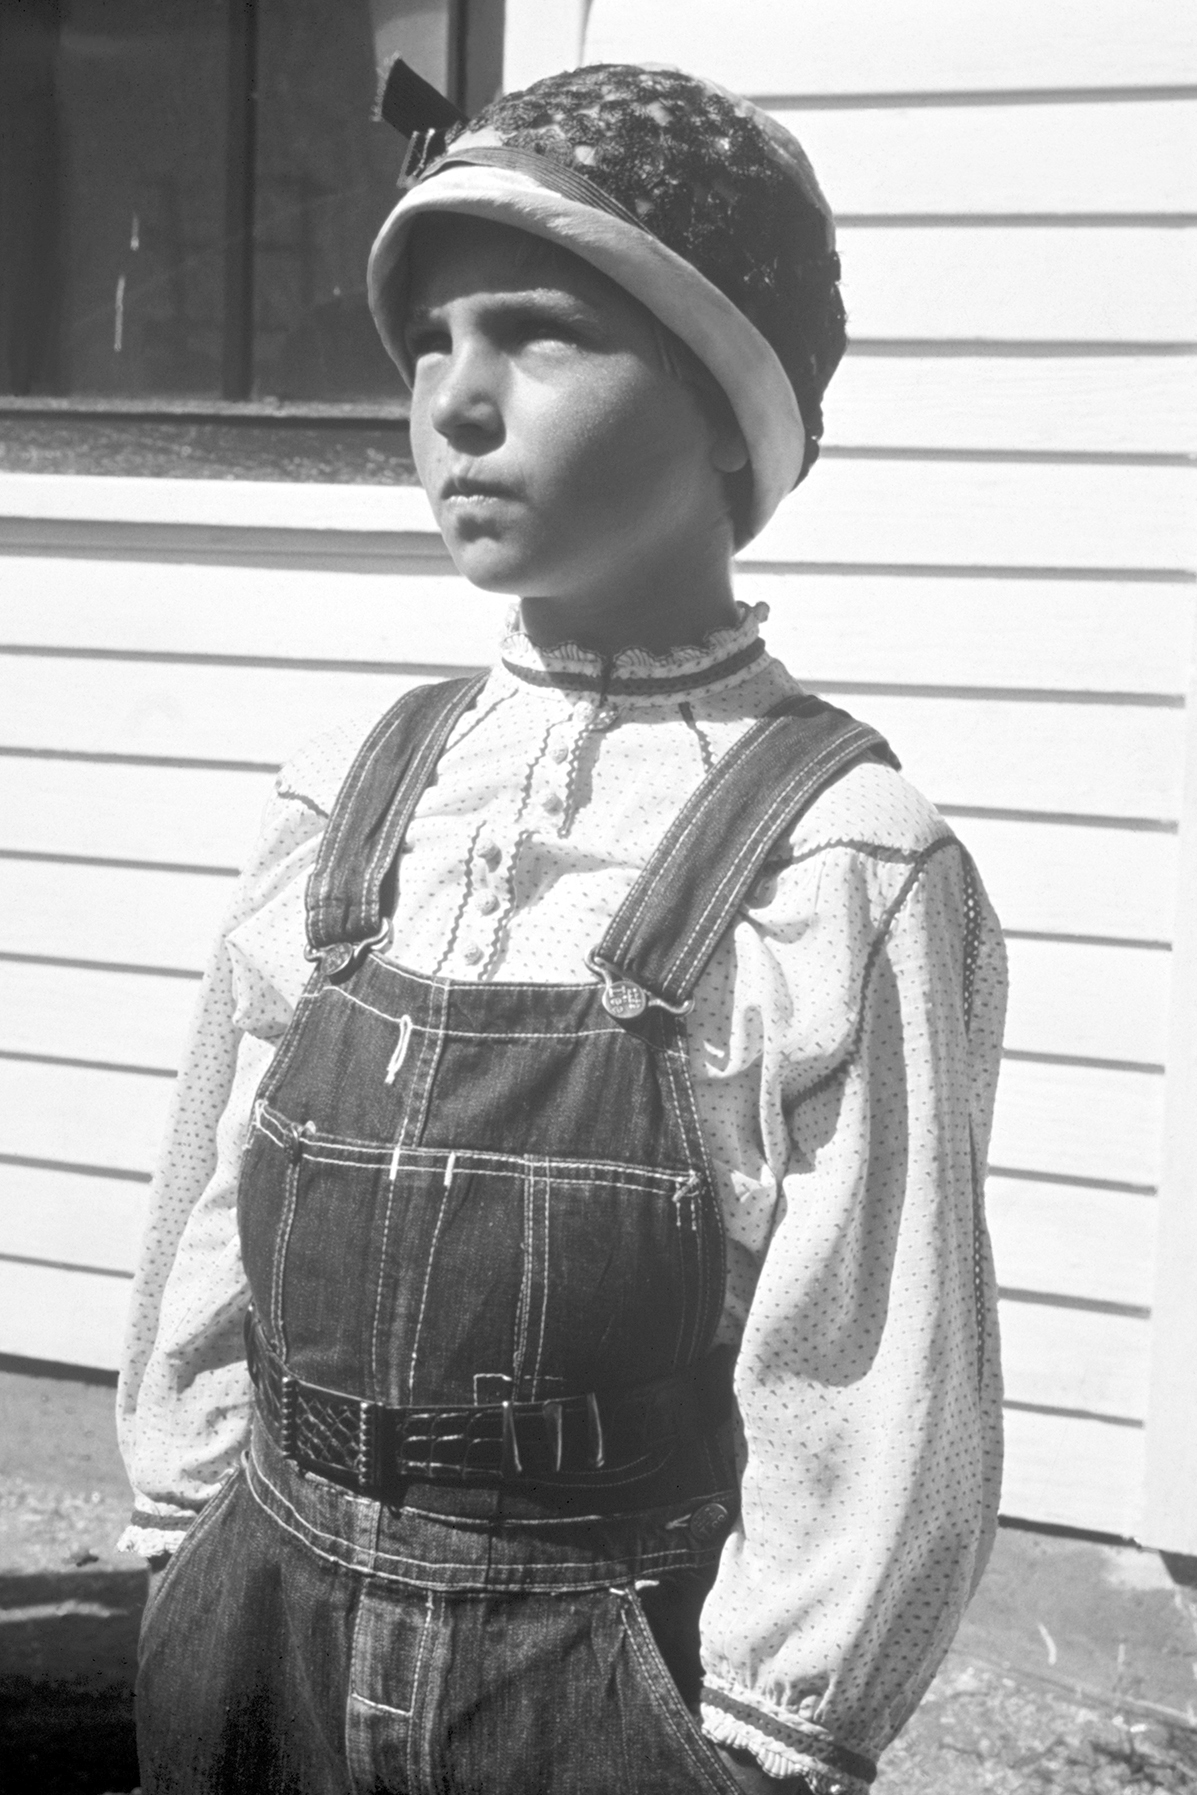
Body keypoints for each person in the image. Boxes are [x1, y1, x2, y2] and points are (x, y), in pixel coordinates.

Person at [118, 63, 1007, 1795]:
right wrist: (185, 1522)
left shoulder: (837, 867)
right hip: (256, 1611)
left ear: (722, 407)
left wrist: (764, 1734)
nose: (455, 402)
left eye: (536, 334)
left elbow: (870, 1362)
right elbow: (214, 1204)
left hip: (587, 1681)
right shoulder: (350, 796)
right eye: (430, 341)